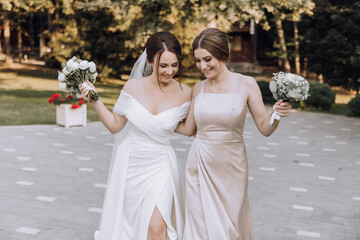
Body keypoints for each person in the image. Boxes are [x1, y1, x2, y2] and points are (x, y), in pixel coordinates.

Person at [175, 28, 292, 239]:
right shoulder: (198, 88)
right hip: (199, 165)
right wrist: (156, 120)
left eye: (207, 59)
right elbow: (188, 129)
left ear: (222, 54)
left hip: (232, 168)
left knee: (227, 231)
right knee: (200, 230)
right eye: (198, 61)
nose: (202, 66)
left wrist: (276, 114)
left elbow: (265, 129)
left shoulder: (246, 84)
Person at [79, 32, 192, 240]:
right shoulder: (133, 87)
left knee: (157, 228)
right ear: (150, 62)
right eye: (163, 65)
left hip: (161, 166)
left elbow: (188, 129)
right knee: (130, 227)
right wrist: (95, 99)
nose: (170, 71)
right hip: (132, 164)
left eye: (174, 65)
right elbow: (115, 125)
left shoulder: (186, 93)